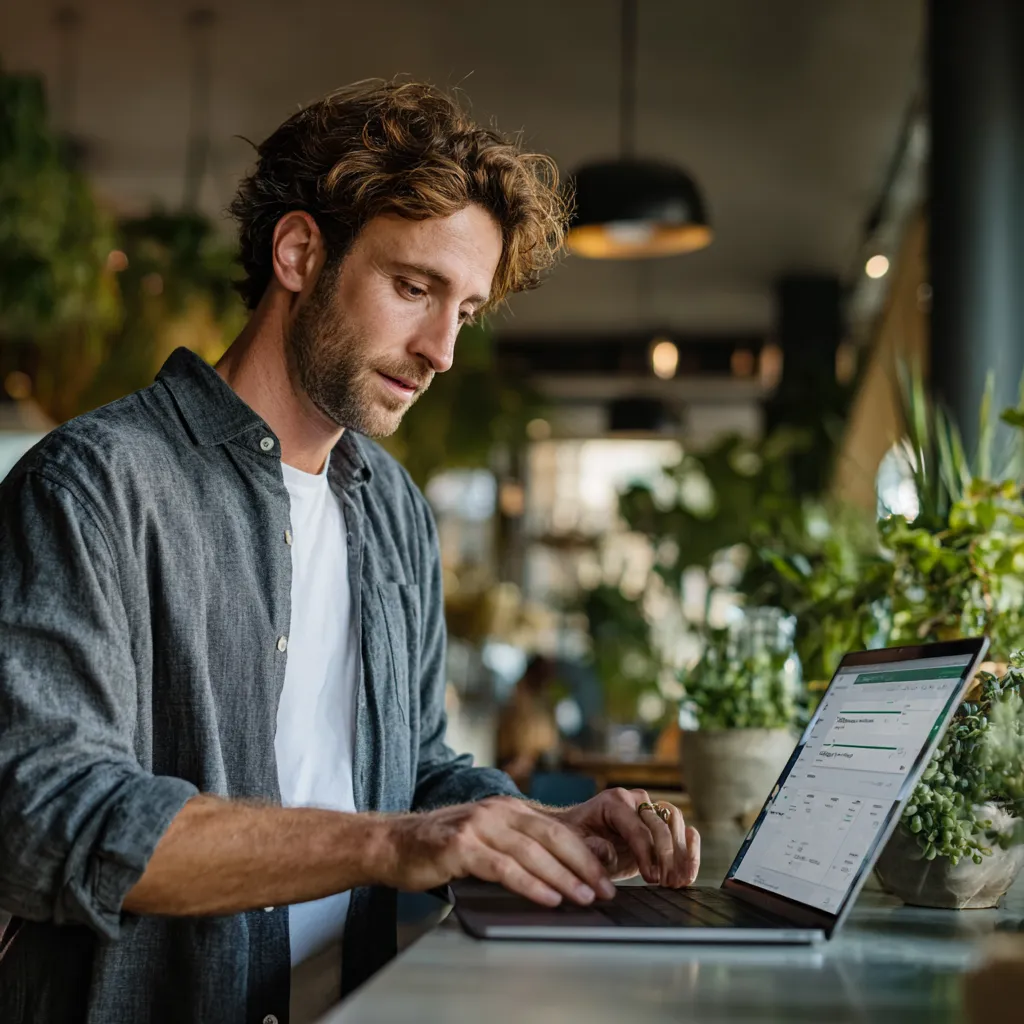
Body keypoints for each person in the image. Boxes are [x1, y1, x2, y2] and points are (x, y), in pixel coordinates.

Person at [0, 79, 700, 1024]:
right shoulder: (93, 487)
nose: (441, 349)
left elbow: (410, 767)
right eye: (414, 288)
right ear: (299, 253)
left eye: (465, 310)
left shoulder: (392, 510)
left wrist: (535, 828)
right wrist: (392, 844)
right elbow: (44, 816)